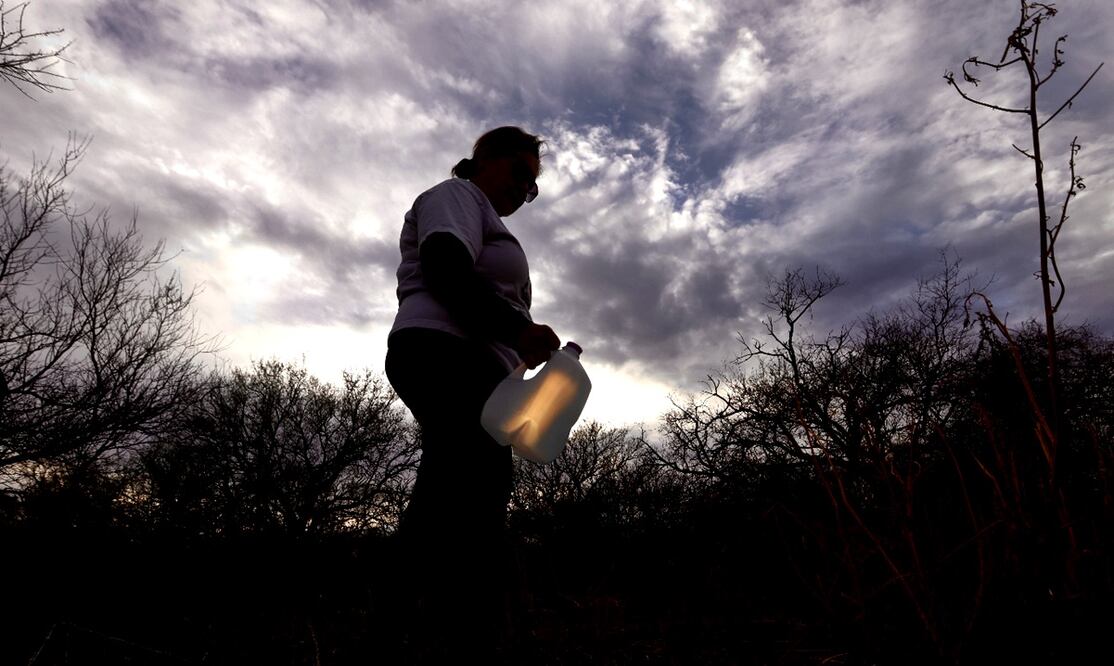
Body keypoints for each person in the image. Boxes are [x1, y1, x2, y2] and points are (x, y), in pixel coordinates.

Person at [381, 126, 560, 661]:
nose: (525, 192)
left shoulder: (486, 218)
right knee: (472, 487)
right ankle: (452, 635)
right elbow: (444, 268)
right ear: (484, 159)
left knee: (455, 486)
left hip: (478, 367)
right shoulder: (458, 197)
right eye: (520, 175)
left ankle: (414, 629)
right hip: (441, 349)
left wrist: (519, 347)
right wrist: (516, 328)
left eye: (533, 188)